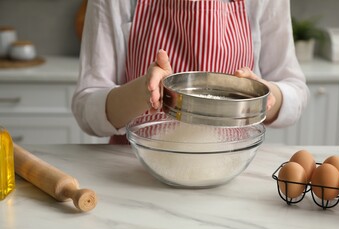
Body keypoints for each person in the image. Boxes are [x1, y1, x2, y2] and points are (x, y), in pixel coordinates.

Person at [72, 0, 309, 144]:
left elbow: (294, 88)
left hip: (233, 167)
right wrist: (144, 91)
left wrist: (263, 96)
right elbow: (86, 106)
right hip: (134, 174)